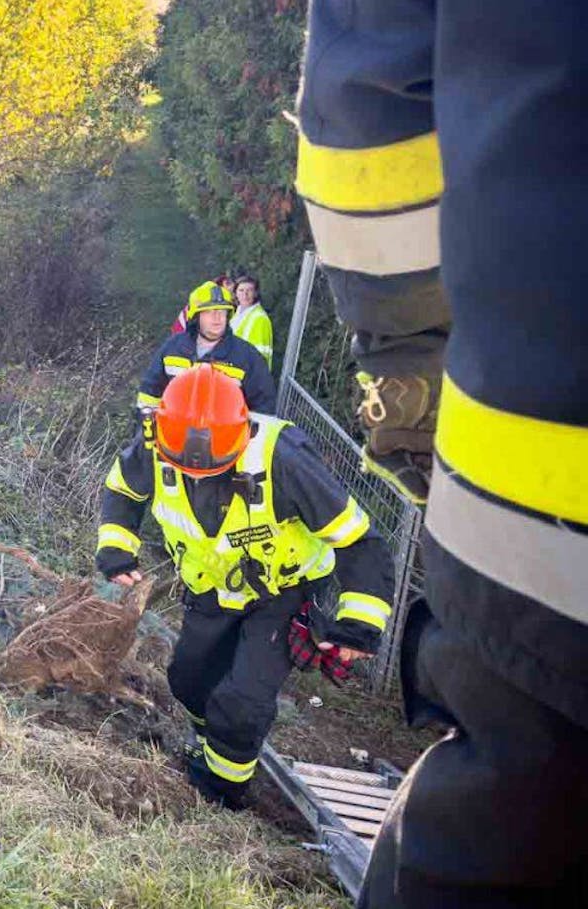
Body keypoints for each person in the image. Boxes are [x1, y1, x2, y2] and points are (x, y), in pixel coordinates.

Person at [295, 2, 588, 905]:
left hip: (550, 506)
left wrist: (414, 385)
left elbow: (367, 114)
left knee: (504, 828)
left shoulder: (277, 466)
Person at [97, 365, 394, 809]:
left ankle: (222, 788)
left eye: (212, 463)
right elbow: (122, 489)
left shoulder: (283, 459)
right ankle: (210, 739)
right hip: (211, 585)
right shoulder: (155, 441)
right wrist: (118, 547)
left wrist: (359, 623)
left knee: (243, 700)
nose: (198, 472)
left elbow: (358, 539)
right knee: (188, 679)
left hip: (283, 592)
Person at [137, 281, 275, 416]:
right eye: (209, 311)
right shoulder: (172, 348)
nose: (218, 317)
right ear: (196, 317)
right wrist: (146, 429)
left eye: (222, 311)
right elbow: (149, 393)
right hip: (173, 434)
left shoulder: (247, 357)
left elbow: (263, 408)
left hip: (225, 436)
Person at [230, 275, 273, 369]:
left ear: (255, 293)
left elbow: (260, 356)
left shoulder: (260, 318)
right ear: (235, 293)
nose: (245, 294)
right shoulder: (236, 316)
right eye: (241, 290)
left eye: (249, 290)